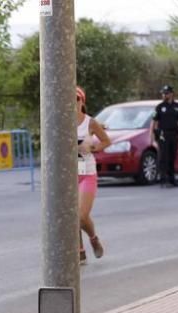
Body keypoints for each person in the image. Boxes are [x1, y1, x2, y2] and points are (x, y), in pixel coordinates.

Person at [76, 86, 111, 264]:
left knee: (82, 215)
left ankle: (93, 239)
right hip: (68, 175)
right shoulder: (62, 122)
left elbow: (106, 140)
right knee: (70, 216)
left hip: (86, 172)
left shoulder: (90, 122)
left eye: (77, 99)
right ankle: (80, 251)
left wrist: (92, 148)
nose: (73, 102)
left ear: (82, 102)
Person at [151, 84, 178, 188]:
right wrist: (152, 137)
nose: (164, 95)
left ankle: (172, 179)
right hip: (163, 135)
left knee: (172, 156)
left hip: (174, 134)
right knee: (163, 157)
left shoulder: (177, 107)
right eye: (163, 93)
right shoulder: (159, 107)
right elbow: (154, 122)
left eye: (166, 93)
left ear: (171, 94)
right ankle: (163, 179)